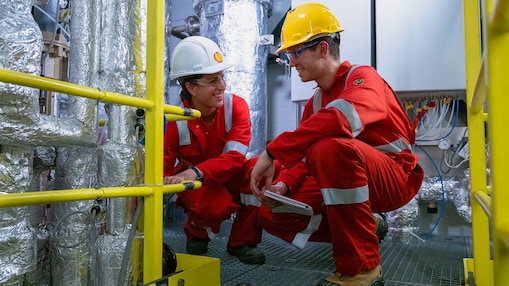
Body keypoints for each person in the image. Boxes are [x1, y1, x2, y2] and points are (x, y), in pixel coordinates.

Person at [250, 3, 424, 286]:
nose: (291, 62)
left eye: (296, 52)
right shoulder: (315, 102)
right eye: (288, 55)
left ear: (322, 49)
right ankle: (369, 226)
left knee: (329, 148)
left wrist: (272, 151)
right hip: (348, 175)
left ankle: (362, 268)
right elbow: (306, 157)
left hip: (394, 177)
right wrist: (283, 186)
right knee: (272, 213)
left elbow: (341, 119)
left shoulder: (363, 78)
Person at [163, 36, 265, 265]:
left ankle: (243, 241)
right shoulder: (174, 119)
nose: (223, 86)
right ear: (191, 87)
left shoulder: (235, 106)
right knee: (214, 207)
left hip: (226, 173)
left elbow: (235, 158)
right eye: (212, 81)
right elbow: (162, 171)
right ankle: (196, 232)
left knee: (260, 170)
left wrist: (196, 171)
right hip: (197, 184)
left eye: (222, 77)